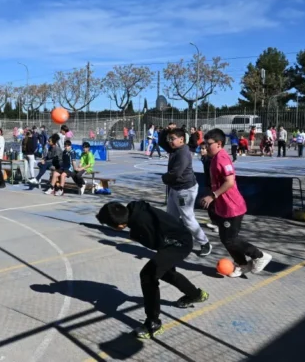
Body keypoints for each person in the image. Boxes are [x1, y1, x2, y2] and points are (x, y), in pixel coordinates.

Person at [96, 201, 209, 339]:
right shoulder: (134, 208)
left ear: (120, 226)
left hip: (179, 244)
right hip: (175, 238)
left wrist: (137, 236)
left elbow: (154, 243)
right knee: (166, 273)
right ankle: (195, 295)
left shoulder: (141, 225)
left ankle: (153, 323)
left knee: (148, 275)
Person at [200, 128, 271, 278]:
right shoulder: (214, 158)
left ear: (219, 144)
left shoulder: (222, 158)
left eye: (209, 144)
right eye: (204, 143)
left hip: (233, 207)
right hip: (223, 207)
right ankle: (243, 264)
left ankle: (259, 256)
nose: (206, 146)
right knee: (226, 239)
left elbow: (230, 182)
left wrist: (213, 196)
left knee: (230, 239)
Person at [163, 128, 212, 256]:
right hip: (175, 188)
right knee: (171, 216)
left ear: (181, 139)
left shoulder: (183, 153)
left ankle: (204, 243)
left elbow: (177, 173)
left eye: (172, 139)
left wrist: (165, 178)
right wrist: (164, 132)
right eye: (169, 139)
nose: (170, 142)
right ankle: (173, 238)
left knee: (188, 219)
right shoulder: (175, 148)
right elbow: (162, 143)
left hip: (185, 190)